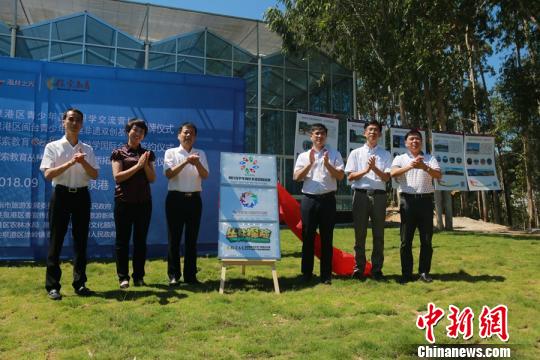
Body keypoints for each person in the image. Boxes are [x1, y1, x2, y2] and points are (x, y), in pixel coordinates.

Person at [40, 108, 99, 300]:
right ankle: (53, 286)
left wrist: (82, 163)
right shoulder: (53, 147)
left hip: (81, 196)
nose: (74, 123)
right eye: (71, 119)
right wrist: (71, 163)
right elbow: (48, 174)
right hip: (61, 195)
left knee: (81, 241)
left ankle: (80, 283)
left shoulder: (88, 149)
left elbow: (95, 175)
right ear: (63, 122)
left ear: (82, 124)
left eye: (78, 120)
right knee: (56, 241)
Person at [293, 123, 344, 284]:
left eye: (322, 134)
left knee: (327, 238)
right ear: (311, 136)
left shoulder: (334, 154)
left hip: (328, 200)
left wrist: (328, 164)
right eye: (316, 134)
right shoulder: (303, 156)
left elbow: (340, 176)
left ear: (326, 136)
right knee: (307, 237)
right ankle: (306, 273)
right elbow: (296, 177)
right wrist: (310, 163)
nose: (319, 136)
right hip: (309, 199)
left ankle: (326, 275)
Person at [390, 129, 442, 283]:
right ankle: (406, 274)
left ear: (421, 142)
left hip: (426, 201)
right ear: (406, 143)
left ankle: (424, 272)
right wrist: (411, 166)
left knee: (426, 240)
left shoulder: (430, 158)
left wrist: (424, 167)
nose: (414, 141)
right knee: (406, 240)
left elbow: (438, 175)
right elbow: (393, 174)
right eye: (411, 139)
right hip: (407, 202)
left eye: (417, 139)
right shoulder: (400, 158)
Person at [110, 118, 156, 289]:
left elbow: (152, 178)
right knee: (122, 241)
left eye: (141, 132)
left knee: (140, 241)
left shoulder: (148, 154)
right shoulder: (118, 152)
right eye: (135, 130)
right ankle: (123, 277)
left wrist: (144, 165)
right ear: (128, 131)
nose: (138, 134)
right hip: (123, 202)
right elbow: (117, 177)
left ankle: (139, 277)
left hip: (144, 203)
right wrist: (137, 166)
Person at [345, 120, 392, 281]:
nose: (372, 132)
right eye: (370, 130)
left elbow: (386, 177)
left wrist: (374, 169)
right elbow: (350, 176)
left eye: (376, 130)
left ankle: (377, 269)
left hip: (379, 196)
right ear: (364, 133)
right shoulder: (356, 153)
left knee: (379, 234)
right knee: (360, 234)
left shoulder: (385, 154)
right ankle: (359, 268)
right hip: (360, 195)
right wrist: (366, 170)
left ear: (379, 134)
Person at [163, 122, 209, 286]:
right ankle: (174, 275)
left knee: (192, 239)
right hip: (175, 199)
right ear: (179, 135)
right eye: (185, 132)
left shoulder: (200, 153)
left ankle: (190, 276)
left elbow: (205, 176)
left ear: (195, 137)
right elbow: (169, 174)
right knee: (174, 238)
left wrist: (197, 163)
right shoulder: (171, 152)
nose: (188, 135)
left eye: (191, 133)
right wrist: (185, 162)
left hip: (194, 200)